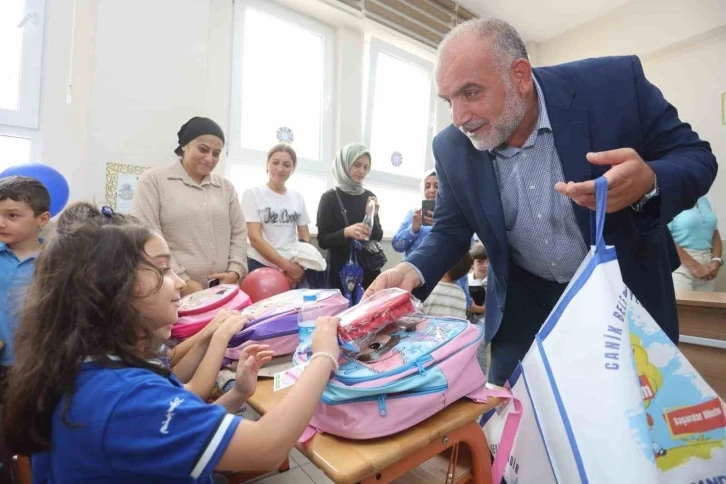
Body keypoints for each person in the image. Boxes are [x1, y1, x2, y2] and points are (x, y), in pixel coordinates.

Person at [365, 18, 717, 385]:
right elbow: (450, 231)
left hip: (625, 293)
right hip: (526, 311)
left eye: (470, 93)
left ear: (519, 76)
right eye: (448, 100)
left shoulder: (614, 85)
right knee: (510, 416)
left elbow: (696, 157)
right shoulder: (451, 147)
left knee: (639, 409)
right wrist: (412, 270)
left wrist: (649, 182)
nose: (458, 118)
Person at [2, 210, 342, 482]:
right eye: (163, 269)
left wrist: (237, 394)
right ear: (108, 287)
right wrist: (323, 355)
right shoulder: (124, 398)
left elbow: (175, 424)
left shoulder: (90, 365)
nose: (179, 283)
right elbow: (267, 447)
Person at [133, 116, 247, 296]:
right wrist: (182, 280)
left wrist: (235, 271)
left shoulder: (225, 188)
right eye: (203, 149)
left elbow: (239, 232)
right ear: (185, 145)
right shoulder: (154, 181)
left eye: (216, 153)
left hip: (221, 291)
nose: (209, 159)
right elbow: (147, 234)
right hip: (171, 289)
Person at [392, 169, 483, 316]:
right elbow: (397, 245)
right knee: (415, 321)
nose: (432, 190)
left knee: (448, 324)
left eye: (437, 186)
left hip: (449, 285)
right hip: (415, 279)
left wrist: (444, 225)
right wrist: (413, 228)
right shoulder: (413, 214)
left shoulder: (455, 216)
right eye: (427, 186)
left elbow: (467, 250)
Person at [0, 176, 50, 398]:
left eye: (12, 215)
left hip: (38, 365)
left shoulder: (56, 262)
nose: (1, 223)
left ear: (42, 219)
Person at [242, 144, 313, 288]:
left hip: (293, 264)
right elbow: (255, 238)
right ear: (267, 164)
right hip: (261, 264)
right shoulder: (253, 194)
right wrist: (285, 265)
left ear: (293, 168)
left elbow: (304, 234)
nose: (280, 169)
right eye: (275, 163)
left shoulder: (297, 197)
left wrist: (299, 263)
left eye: (287, 165)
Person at [317, 143, 383, 292]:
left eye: (366, 167)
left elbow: (377, 236)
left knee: (370, 305)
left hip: (368, 270)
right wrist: (346, 232)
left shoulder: (369, 196)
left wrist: (371, 216)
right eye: (357, 165)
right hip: (341, 271)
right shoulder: (329, 198)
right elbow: (323, 240)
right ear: (344, 164)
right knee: (342, 306)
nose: (362, 171)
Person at [668, 196, 722, 292]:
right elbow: (665, 239)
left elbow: (715, 233)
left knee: (705, 302)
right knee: (681, 302)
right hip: (680, 266)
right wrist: (695, 266)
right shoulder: (669, 200)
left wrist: (716, 260)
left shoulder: (704, 200)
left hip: (707, 266)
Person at [421, 253, 472, 320]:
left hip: (428, 326)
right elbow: (462, 319)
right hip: (454, 327)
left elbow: (416, 313)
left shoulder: (428, 289)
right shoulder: (461, 293)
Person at [468, 242, 488, 309]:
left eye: (488, 262)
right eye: (479, 261)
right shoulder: (466, 281)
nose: (485, 265)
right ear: (472, 263)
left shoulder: (495, 281)